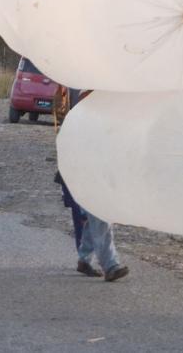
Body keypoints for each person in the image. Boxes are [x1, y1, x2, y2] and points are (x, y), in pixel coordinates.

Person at [53, 87, 129, 282]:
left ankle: (84, 259)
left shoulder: (100, 120)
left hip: (97, 177)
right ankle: (110, 265)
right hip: (85, 178)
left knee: (96, 219)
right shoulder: (79, 121)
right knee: (101, 219)